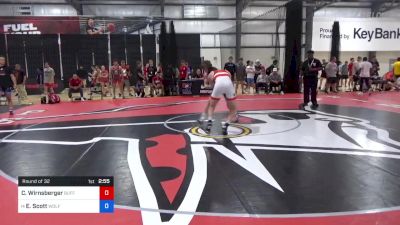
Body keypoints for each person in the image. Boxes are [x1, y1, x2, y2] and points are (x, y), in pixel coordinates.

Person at [199, 61, 237, 135]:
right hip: (229, 86)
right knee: (233, 108)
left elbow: (209, 85)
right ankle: (226, 124)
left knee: (211, 105)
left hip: (218, 85)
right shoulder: (226, 71)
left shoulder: (210, 73)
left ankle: (209, 121)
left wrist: (207, 82)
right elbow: (229, 80)